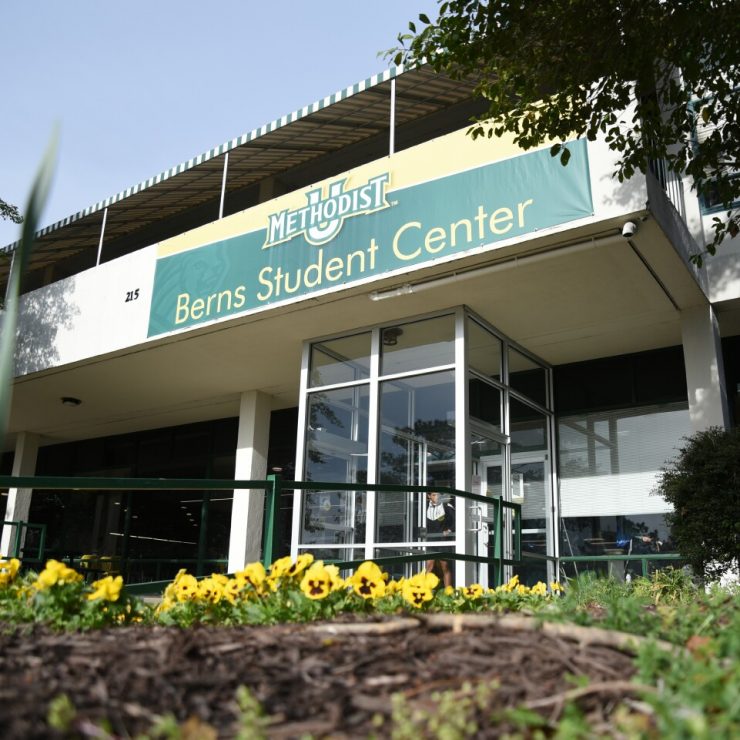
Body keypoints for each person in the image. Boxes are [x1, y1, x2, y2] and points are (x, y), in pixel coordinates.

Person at [424, 491, 455, 588]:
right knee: (429, 566)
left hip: (443, 541)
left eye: (438, 494)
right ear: (429, 496)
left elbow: (456, 521)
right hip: (430, 541)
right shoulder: (423, 508)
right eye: (434, 495)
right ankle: (425, 592)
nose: (436, 497)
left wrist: (449, 530)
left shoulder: (446, 507)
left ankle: (448, 592)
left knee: (445, 566)